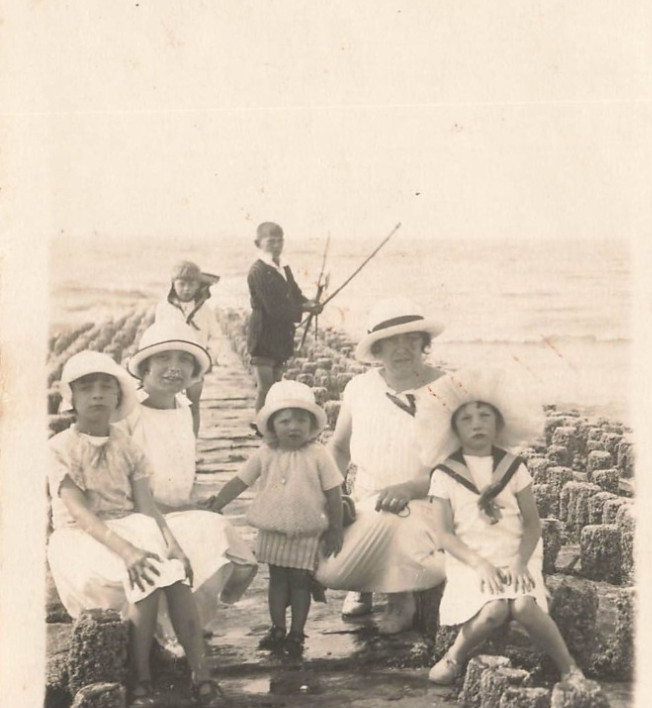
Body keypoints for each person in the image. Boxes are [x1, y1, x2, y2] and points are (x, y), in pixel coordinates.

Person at [46, 351, 230, 708]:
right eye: (86, 388)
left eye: (106, 387)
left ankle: (202, 675)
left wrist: (174, 546)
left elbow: (147, 506)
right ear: (71, 398)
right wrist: (129, 552)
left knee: (174, 575)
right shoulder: (59, 448)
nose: (97, 394)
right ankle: (140, 680)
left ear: (118, 397)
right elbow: (81, 514)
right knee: (144, 578)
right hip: (82, 537)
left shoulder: (127, 446)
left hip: (130, 524)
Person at [415, 365, 584, 685]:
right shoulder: (445, 474)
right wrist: (480, 564)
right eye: (466, 418)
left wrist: (521, 563)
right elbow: (445, 535)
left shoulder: (512, 467)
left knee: (523, 606)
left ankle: (568, 667)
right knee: (494, 610)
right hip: (471, 557)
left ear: (499, 423)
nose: (476, 424)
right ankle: (455, 654)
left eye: (485, 416)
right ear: (452, 428)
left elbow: (533, 524)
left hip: (515, 552)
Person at [315, 298, 446, 635]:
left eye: (411, 339)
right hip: (366, 500)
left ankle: (399, 598)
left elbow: (459, 466)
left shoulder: (448, 390)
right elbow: (340, 447)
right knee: (326, 570)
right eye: (390, 342)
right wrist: (326, 493)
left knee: (395, 518)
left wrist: (409, 488)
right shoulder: (359, 387)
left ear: (423, 343)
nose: (402, 349)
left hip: (426, 501)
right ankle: (365, 584)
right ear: (376, 348)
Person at [124, 321, 258, 641]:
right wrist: (176, 511)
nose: (174, 368)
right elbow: (122, 489)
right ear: (144, 367)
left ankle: (188, 621)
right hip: (137, 516)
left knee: (244, 562)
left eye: (184, 360)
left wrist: (188, 506)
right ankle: (174, 631)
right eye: (163, 359)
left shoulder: (183, 408)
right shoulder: (128, 414)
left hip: (174, 510)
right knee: (214, 536)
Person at [207, 381, 344, 660]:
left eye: (301, 420)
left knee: (301, 581)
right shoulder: (265, 453)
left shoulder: (319, 454)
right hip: (273, 529)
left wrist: (335, 529)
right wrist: (217, 504)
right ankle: (277, 627)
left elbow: (334, 492)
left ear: (311, 424)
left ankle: (297, 631)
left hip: (306, 529)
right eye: (285, 421)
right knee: (277, 580)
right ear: (271, 425)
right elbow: (240, 481)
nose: (293, 427)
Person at [246, 222, 321, 415]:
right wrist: (303, 308)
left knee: (276, 385)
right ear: (258, 243)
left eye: (280, 241)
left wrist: (310, 304)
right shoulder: (258, 270)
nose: (277, 245)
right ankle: (262, 430)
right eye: (271, 241)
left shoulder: (283, 267)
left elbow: (295, 294)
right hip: (263, 335)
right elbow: (274, 308)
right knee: (266, 388)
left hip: (280, 335)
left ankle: (270, 426)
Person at [154, 260, 233, 434]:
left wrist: (209, 358)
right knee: (170, 405)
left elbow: (216, 336)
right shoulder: (164, 308)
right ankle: (174, 443)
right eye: (181, 284)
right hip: (170, 365)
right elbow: (157, 336)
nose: (186, 289)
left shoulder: (205, 310)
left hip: (195, 365)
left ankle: (191, 443)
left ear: (199, 285)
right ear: (173, 285)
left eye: (192, 284)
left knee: (193, 404)